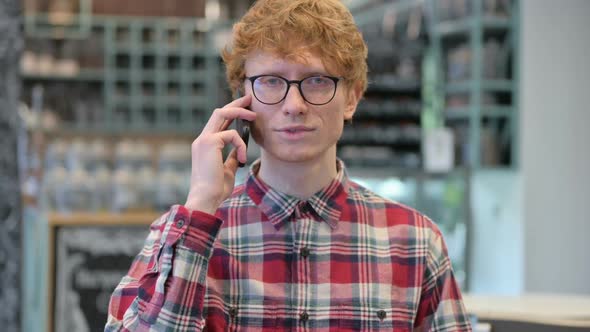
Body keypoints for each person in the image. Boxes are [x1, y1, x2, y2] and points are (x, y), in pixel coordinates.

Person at [106, 0, 472, 331]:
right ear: (242, 98)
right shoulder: (186, 235)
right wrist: (201, 206)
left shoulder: (414, 242)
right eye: (270, 81)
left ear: (352, 97)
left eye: (315, 81)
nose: (294, 104)